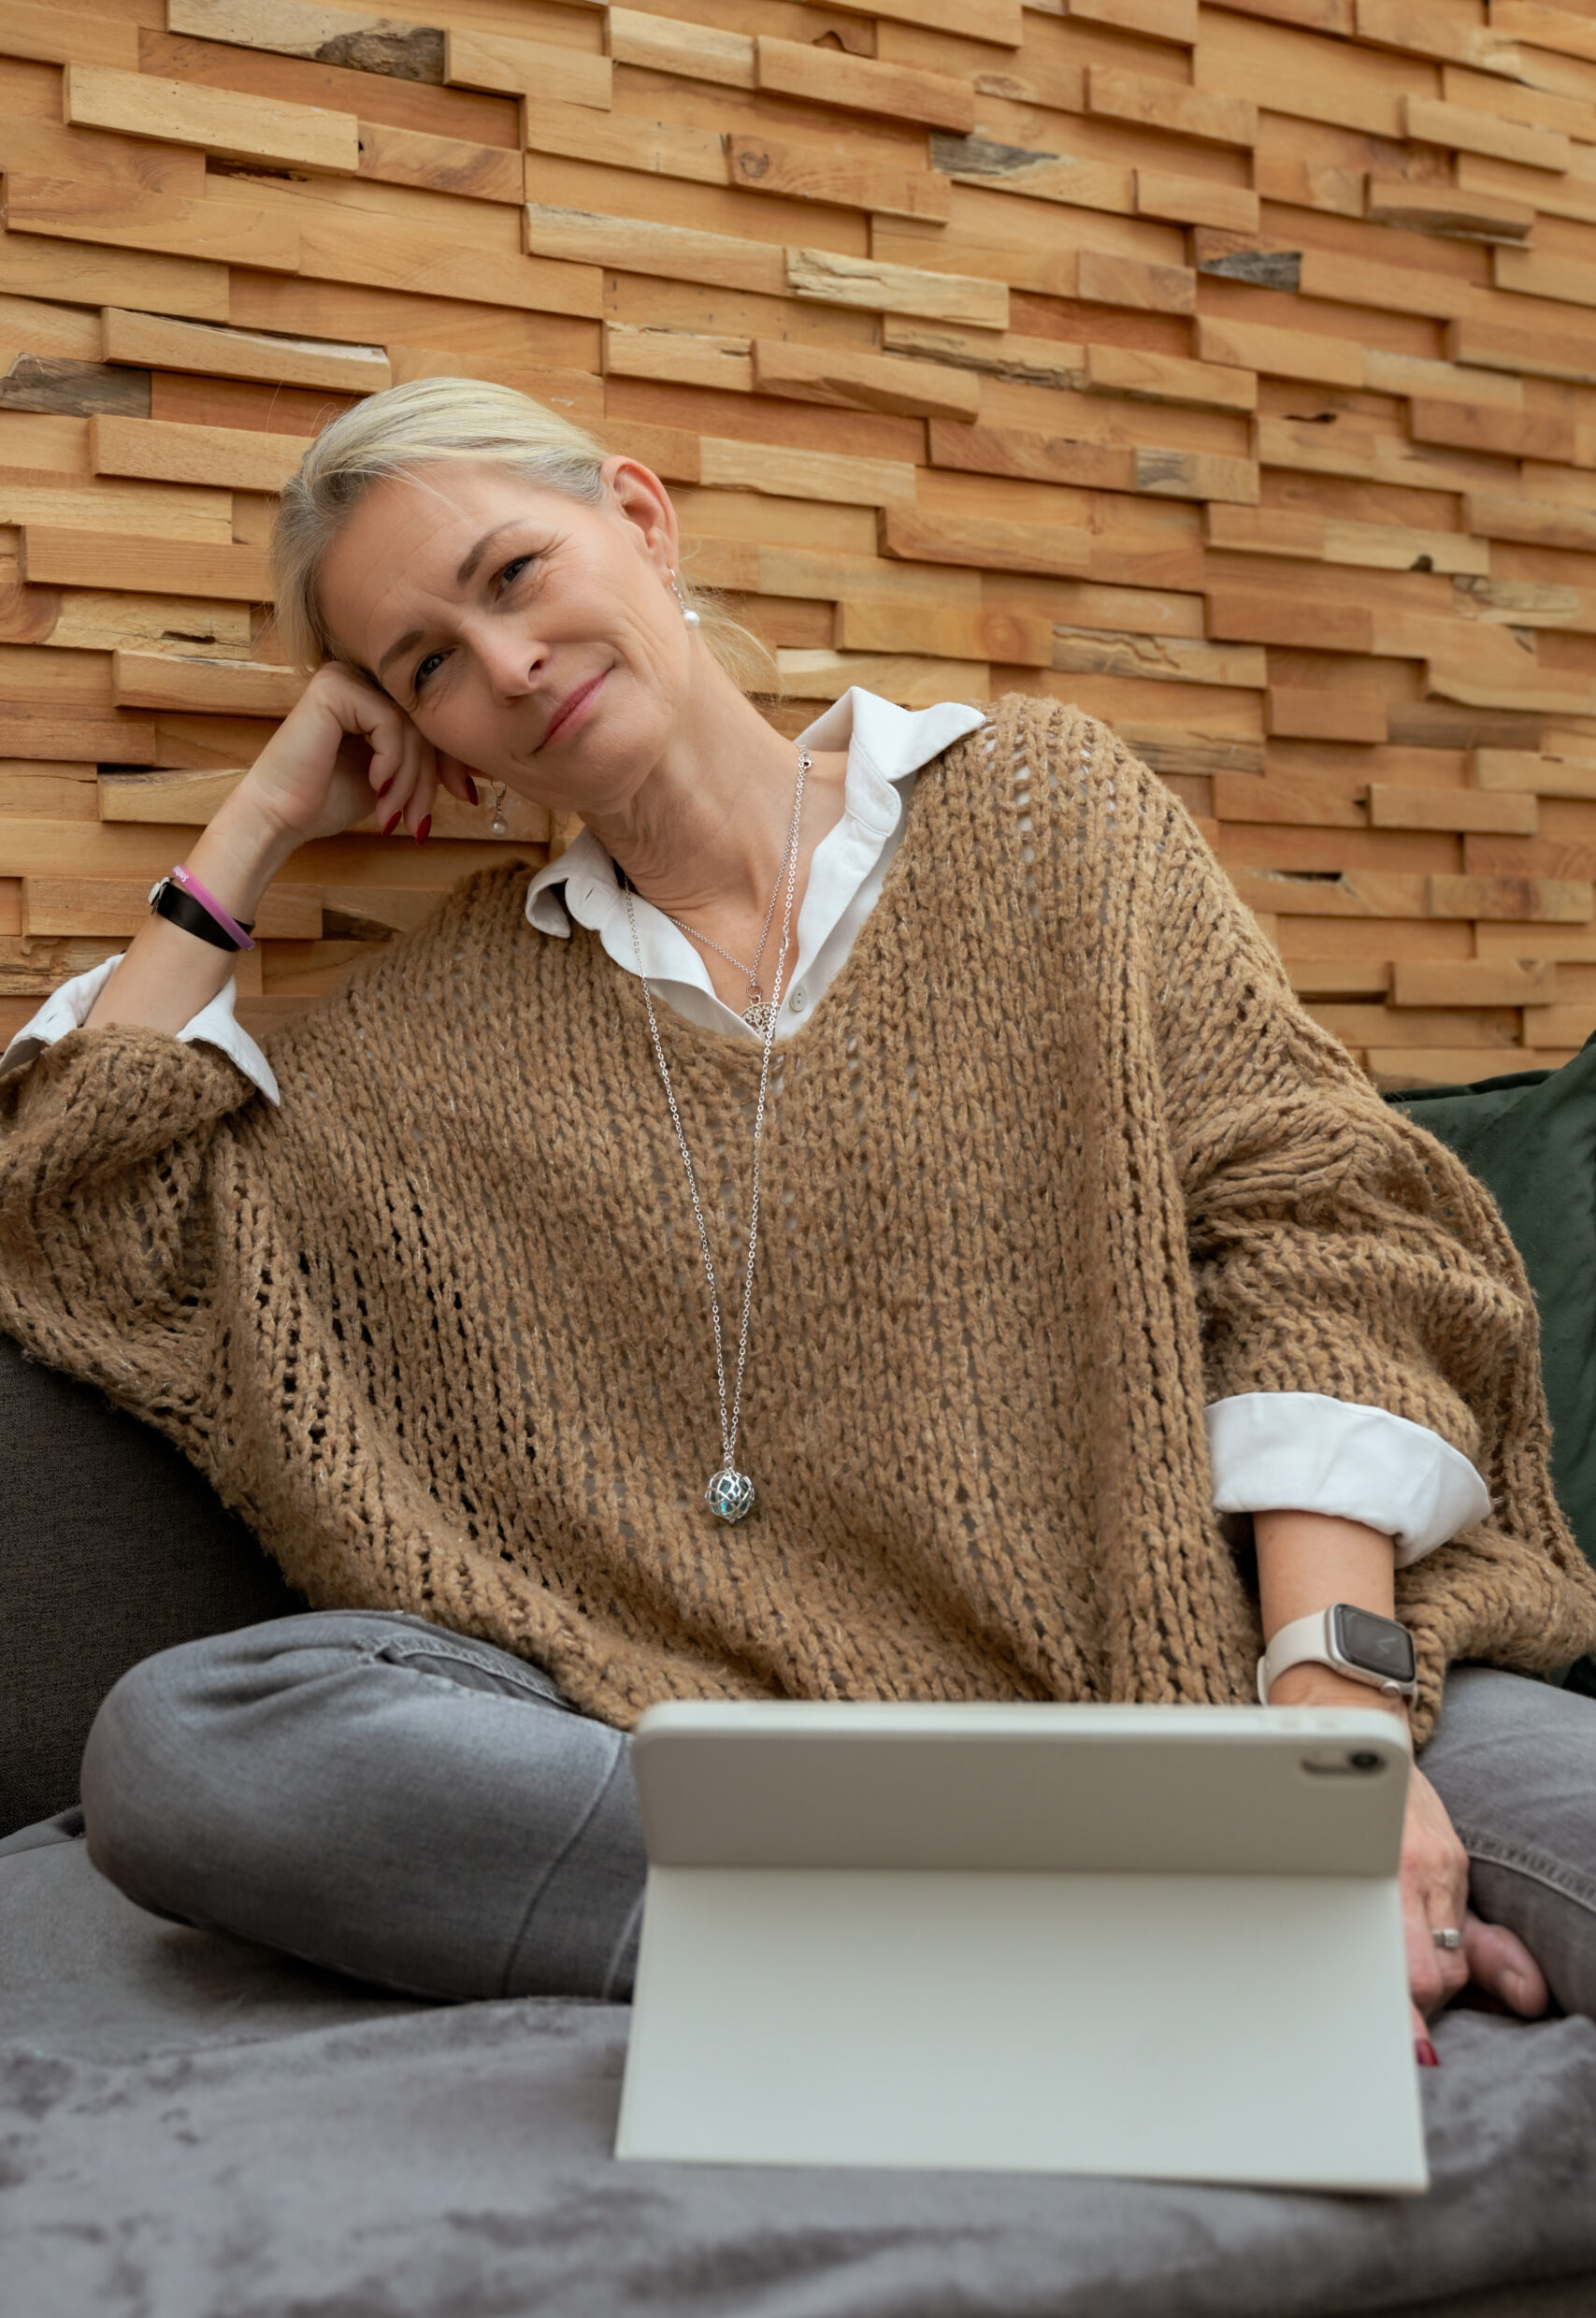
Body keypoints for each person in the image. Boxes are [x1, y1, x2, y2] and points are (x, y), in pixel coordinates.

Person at [2, 380, 1594, 2056]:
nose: (507, 667)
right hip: (761, 1766)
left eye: (513, 574)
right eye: (426, 670)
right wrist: (255, 827)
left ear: (639, 514)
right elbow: (82, 1218)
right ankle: (1071, 1924)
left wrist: (1328, 1734)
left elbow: (1323, 1231)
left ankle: (980, 1937)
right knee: (190, 1742)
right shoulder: (437, 1036)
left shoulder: (1047, 809)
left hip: (1231, 1663)